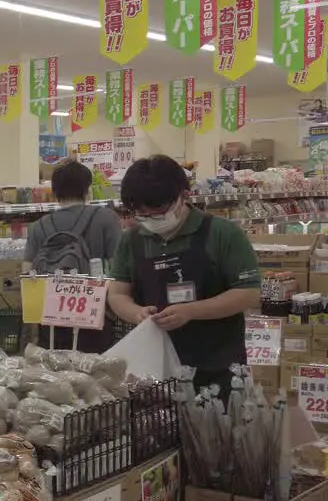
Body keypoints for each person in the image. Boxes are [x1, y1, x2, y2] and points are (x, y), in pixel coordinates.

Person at [107, 155, 260, 392]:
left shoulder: (222, 234)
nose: (150, 220)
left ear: (182, 196)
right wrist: (136, 313)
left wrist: (191, 311)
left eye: (158, 212)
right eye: (141, 214)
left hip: (217, 368)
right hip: (153, 370)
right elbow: (117, 294)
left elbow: (248, 293)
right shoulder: (132, 241)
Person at [26, 160, 122, 352]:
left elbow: (28, 275)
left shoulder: (38, 227)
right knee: (95, 376)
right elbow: (118, 268)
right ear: (87, 190)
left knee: (55, 377)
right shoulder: (106, 218)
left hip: (52, 322)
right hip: (95, 318)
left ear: (54, 192)